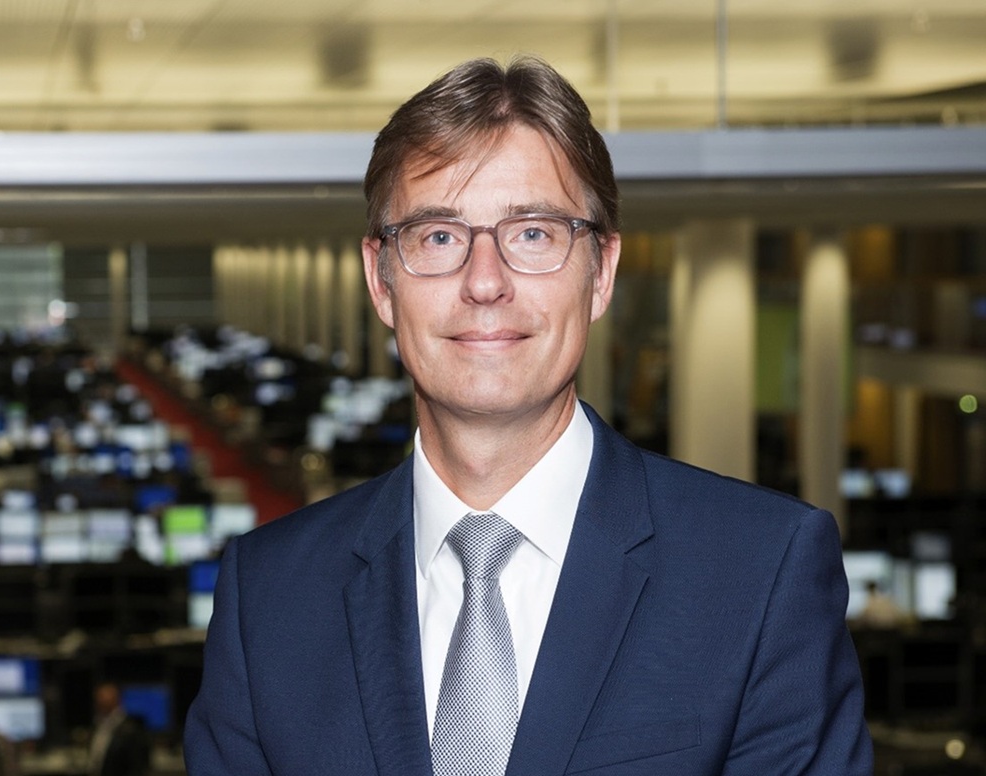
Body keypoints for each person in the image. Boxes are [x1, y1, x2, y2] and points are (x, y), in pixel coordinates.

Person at [184, 56, 872, 775]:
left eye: (533, 234)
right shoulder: (268, 596)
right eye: (439, 236)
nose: (485, 282)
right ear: (381, 282)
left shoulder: (761, 571)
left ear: (601, 271)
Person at [89, 682, 152, 776]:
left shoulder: (132, 729)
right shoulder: (99, 723)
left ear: (116, 699)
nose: (99, 702)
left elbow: (138, 767)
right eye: (98, 698)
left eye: (104, 699)